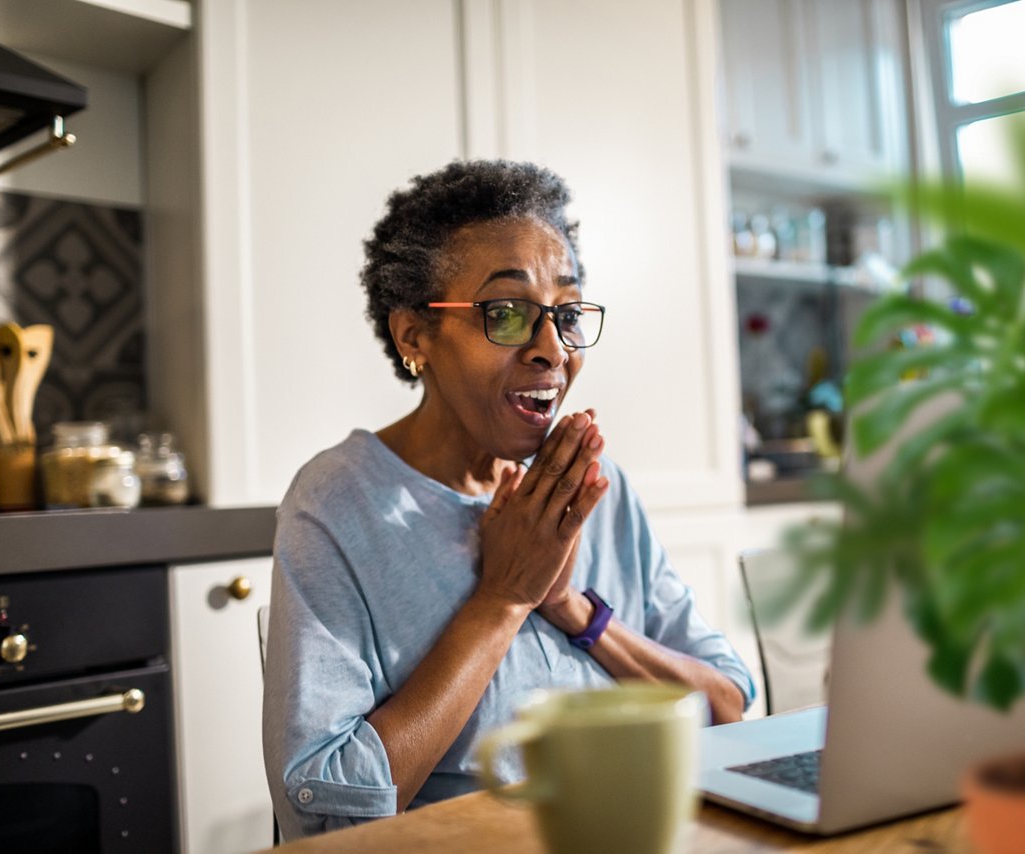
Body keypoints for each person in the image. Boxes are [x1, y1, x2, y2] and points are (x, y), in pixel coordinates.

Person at [262, 160, 756, 839]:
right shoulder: (338, 503)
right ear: (415, 336)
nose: (552, 349)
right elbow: (327, 810)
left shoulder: (592, 484)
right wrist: (505, 599)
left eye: (567, 313)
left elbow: (729, 707)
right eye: (507, 313)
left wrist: (574, 610)